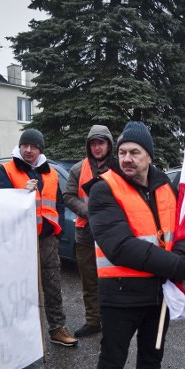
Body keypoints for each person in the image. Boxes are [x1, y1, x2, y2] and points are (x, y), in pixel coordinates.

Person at [88, 121, 185, 369]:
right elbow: (120, 246)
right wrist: (176, 266)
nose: (127, 158)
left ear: (149, 155)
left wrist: (184, 255)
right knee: (112, 365)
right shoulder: (104, 189)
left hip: (157, 295)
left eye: (134, 152)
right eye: (122, 152)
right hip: (119, 295)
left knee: (152, 358)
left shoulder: (165, 185)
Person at [0, 129, 78, 347]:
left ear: (40, 149)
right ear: (20, 147)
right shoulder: (6, 170)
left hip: (47, 240)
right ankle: (19, 335)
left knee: (52, 284)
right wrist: (21, 193)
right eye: (25, 146)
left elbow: (57, 203)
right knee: (19, 287)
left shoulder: (49, 173)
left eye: (34, 146)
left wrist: (54, 229)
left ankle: (57, 329)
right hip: (19, 242)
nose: (29, 150)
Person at [63, 125, 114, 338]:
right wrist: (88, 212)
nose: (97, 147)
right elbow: (68, 196)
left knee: (111, 279)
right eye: (93, 143)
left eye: (101, 143)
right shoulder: (78, 169)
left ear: (109, 145)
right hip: (85, 235)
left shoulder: (118, 168)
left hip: (111, 236)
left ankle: (112, 320)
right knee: (89, 281)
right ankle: (93, 321)